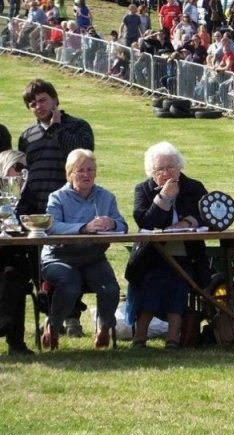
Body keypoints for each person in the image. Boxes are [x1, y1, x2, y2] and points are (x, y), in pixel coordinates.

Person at [39, 149, 127, 351]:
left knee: (110, 289)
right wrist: (83, 228)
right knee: (70, 286)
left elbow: (123, 225)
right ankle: (52, 326)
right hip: (59, 257)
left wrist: (112, 223)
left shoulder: (106, 196)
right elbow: (51, 227)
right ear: (70, 174)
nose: (86, 175)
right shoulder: (57, 197)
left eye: (90, 170)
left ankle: (104, 327)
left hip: (92, 257)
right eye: (80, 171)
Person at [126, 142, 210, 349]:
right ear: (152, 172)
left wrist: (188, 222)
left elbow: (209, 215)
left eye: (171, 167)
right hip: (151, 256)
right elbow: (144, 222)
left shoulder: (194, 187)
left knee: (179, 280)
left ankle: (173, 339)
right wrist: (164, 197)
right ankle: (140, 338)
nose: (166, 173)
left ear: (180, 167)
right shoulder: (143, 190)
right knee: (152, 280)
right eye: (159, 169)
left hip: (188, 256)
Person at [17, 79, 94, 217]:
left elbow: (83, 156)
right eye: (33, 104)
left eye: (42, 100)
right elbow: (24, 174)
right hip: (35, 209)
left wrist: (57, 128)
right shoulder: (26, 137)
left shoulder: (78, 126)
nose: (39, 106)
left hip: (71, 206)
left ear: (55, 99)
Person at [0, 150, 35, 355]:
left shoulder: (26, 194)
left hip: (15, 254)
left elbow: (25, 224)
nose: (23, 173)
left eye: (25, 168)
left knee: (15, 273)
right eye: (18, 167)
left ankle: (15, 340)